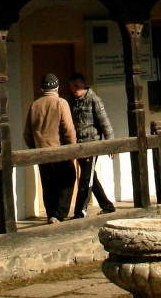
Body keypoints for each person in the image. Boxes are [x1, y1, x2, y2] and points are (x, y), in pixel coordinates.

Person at [23, 73, 76, 223]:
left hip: (41, 153)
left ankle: (51, 214)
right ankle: (59, 213)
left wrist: (35, 147)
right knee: (67, 180)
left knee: (48, 185)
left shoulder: (34, 105)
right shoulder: (61, 103)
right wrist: (71, 150)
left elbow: (26, 134)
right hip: (60, 151)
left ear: (42, 88)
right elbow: (69, 129)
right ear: (57, 87)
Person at [64, 74, 115, 218]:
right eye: (72, 87)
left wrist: (111, 145)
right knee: (91, 177)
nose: (75, 90)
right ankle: (107, 205)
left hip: (92, 145)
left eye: (77, 86)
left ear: (84, 85)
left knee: (86, 177)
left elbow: (105, 123)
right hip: (77, 146)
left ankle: (80, 211)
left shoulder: (94, 100)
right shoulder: (71, 102)